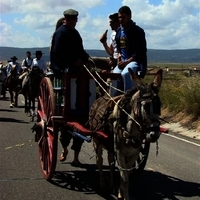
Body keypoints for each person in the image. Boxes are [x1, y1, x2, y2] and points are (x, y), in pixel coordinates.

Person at [50, 8, 90, 166]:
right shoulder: (61, 33)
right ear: (66, 19)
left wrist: (86, 59)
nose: (74, 21)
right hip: (63, 70)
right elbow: (60, 54)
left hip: (77, 69)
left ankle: (76, 156)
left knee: (88, 78)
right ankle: (65, 148)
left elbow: (80, 50)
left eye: (75, 19)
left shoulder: (76, 33)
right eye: (71, 19)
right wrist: (74, 62)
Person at [113, 6, 147, 91]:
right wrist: (119, 60)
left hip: (134, 61)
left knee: (126, 74)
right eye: (119, 17)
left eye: (123, 17)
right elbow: (119, 48)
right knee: (114, 75)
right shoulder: (119, 31)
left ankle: (128, 98)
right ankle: (114, 99)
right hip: (122, 61)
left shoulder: (137, 31)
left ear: (129, 16)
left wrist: (127, 62)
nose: (121, 19)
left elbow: (140, 51)